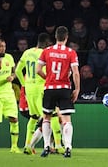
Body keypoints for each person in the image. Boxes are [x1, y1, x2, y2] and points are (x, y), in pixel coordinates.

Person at [15, 33, 65, 155]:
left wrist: (24, 85)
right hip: (42, 88)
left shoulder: (27, 52)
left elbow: (17, 71)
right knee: (52, 115)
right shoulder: (46, 53)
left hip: (30, 89)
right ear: (47, 42)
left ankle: (27, 146)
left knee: (33, 118)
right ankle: (58, 145)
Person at [36, 26, 80, 158]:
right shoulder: (71, 52)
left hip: (50, 88)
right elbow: (76, 73)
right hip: (65, 88)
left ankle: (46, 147)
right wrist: (77, 89)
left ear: (55, 37)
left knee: (46, 118)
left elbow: (38, 69)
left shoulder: (47, 51)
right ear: (66, 37)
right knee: (66, 120)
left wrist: (48, 78)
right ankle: (67, 148)